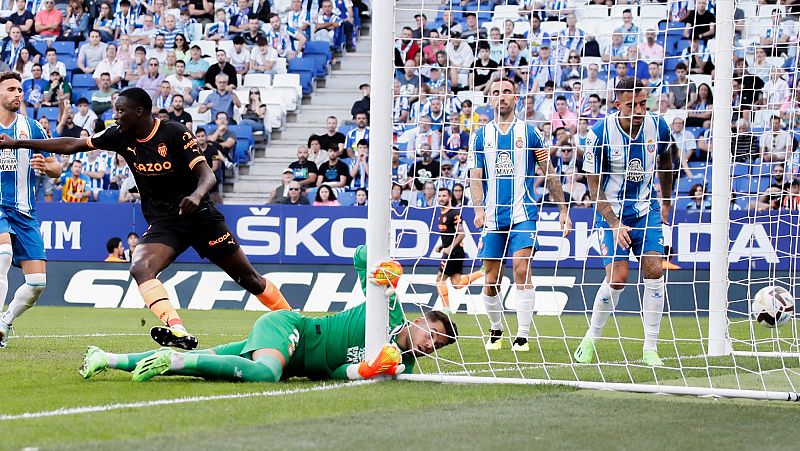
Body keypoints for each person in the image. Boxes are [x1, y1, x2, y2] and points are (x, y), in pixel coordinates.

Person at [0, 87, 292, 350]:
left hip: (201, 217)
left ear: (139, 112)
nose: (115, 116)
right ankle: (176, 328)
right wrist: (17, 144)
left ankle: (294, 324)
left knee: (250, 280)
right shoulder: (118, 135)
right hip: (165, 223)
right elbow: (72, 145)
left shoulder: (174, 133)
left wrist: (196, 195)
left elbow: (207, 174)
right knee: (140, 267)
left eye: (120, 110)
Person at [79, 247, 458, 383]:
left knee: (210, 359)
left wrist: (370, 370)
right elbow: (361, 255)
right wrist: (383, 271)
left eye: (437, 345)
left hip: (292, 355)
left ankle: (106, 358)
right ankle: (175, 359)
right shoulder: (387, 309)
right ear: (418, 320)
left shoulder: (399, 366)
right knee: (265, 374)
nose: (430, 344)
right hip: (293, 330)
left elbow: (338, 372)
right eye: (432, 333)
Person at [573, 78, 675, 367]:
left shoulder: (660, 126)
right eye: (633, 105)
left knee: (654, 269)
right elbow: (594, 188)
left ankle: (650, 349)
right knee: (618, 278)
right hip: (611, 214)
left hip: (646, 209)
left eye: (643, 103)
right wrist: (614, 223)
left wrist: (665, 202)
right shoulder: (599, 133)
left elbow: (666, 163)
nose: (640, 110)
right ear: (617, 104)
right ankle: (591, 337)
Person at [469, 79, 571, 352]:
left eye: (506, 92)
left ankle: (522, 336)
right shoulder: (480, 136)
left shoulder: (531, 133)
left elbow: (548, 172)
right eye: (496, 93)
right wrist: (478, 209)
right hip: (492, 217)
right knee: (491, 281)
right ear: (490, 99)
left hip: (523, 213)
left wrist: (563, 210)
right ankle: (496, 329)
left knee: (522, 270)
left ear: (515, 98)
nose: (501, 97)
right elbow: (475, 177)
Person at [0, 71, 62, 348]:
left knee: (37, 283)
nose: (17, 94)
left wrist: (47, 166)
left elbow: (56, 168)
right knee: (3, 254)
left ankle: (5, 322)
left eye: (20, 90)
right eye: (11, 89)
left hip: (25, 213)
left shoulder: (32, 127)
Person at [434, 187, 483, 314]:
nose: (441, 198)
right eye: (439, 196)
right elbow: (449, 234)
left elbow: (461, 234)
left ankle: (446, 309)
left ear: (450, 197)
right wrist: (441, 245)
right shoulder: (441, 214)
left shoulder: (454, 213)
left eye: (444, 196)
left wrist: (450, 247)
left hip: (453, 253)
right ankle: (482, 272)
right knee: (457, 283)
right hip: (453, 252)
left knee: (440, 279)